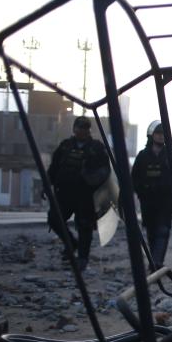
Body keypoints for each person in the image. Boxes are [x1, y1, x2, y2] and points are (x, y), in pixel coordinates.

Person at [46, 115, 110, 272]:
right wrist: (46, 185)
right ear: (74, 129)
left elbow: (104, 171)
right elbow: (54, 167)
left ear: (89, 130)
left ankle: (82, 259)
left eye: (85, 128)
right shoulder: (65, 146)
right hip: (64, 193)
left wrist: (95, 185)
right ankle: (71, 244)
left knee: (85, 227)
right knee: (55, 220)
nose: (82, 130)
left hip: (85, 195)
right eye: (79, 127)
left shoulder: (96, 148)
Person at [131, 120, 172, 267]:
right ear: (151, 135)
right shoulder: (143, 156)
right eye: (158, 133)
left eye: (164, 134)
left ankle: (157, 262)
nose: (161, 136)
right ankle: (154, 260)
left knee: (163, 230)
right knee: (151, 231)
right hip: (147, 200)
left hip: (166, 200)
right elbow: (133, 178)